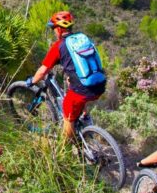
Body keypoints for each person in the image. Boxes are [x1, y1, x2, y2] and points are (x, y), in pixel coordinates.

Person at [25, 10, 106, 143]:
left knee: (67, 115)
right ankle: (86, 119)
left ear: (59, 30)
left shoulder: (59, 46)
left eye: (54, 28)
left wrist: (32, 81)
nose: (54, 31)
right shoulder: (82, 38)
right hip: (99, 83)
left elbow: (43, 70)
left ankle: (67, 146)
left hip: (82, 89)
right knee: (73, 85)